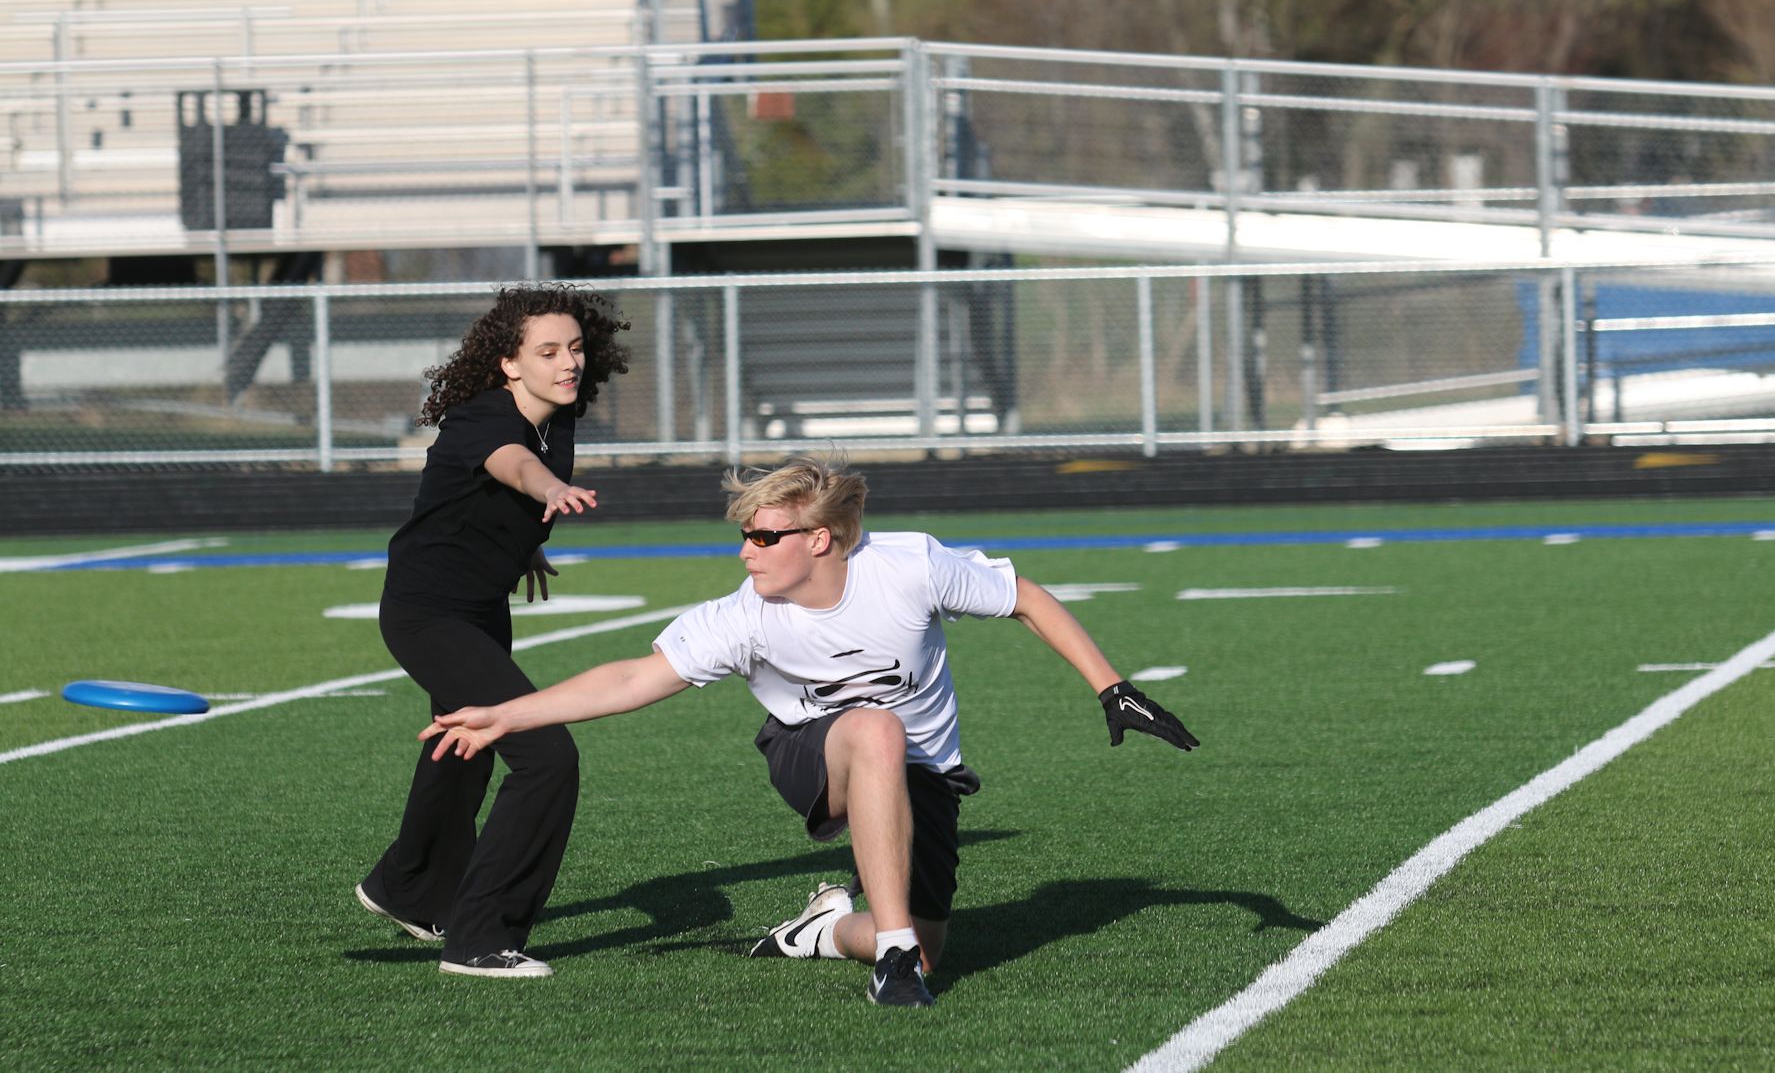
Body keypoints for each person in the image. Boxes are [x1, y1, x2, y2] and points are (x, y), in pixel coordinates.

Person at [420, 455, 1196, 1005]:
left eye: (764, 537)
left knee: (932, 945)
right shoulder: (741, 617)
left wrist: (1113, 688)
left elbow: (1024, 596)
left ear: (819, 539)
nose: (745, 552)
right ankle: (892, 958)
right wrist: (507, 713)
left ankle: (827, 932)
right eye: (745, 536)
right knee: (877, 731)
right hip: (808, 753)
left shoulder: (910, 567)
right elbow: (631, 678)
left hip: (926, 773)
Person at [353, 282, 630, 979]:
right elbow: (514, 464)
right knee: (547, 758)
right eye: (548, 351)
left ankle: (406, 887)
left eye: (575, 348)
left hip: (480, 608)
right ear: (509, 363)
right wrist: (549, 491)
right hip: (428, 613)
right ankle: (480, 940)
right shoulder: (482, 417)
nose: (569, 362)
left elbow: (487, 492)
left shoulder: (560, 414)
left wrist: (522, 545)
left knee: (465, 749)